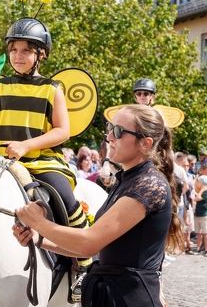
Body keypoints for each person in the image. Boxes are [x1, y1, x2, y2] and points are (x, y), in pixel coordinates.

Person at [13, 104, 183, 306]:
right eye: (110, 129)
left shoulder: (148, 184)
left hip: (129, 298)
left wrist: (39, 222)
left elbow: (88, 243)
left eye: (118, 131)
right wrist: (39, 239)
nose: (109, 137)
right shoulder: (128, 180)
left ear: (146, 143)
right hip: (113, 295)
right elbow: (98, 249)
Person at [0, 16, 91, 294]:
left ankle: (83, 263)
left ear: (40, 54)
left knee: (64, 195)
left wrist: (25, 145)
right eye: (13, 50)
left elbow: (62, 131)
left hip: (42, 160)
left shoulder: (52, 89)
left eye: (26, 50)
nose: (18, 56)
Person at [194, 175, 207, 257]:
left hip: (204, 215)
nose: (197, 183)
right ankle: (198, 248)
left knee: (205, 233)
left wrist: (201, 191)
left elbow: (197, 198)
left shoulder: (205, 192)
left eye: (198, 181)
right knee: (198, 233)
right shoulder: (200, 191)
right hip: (198, 214)